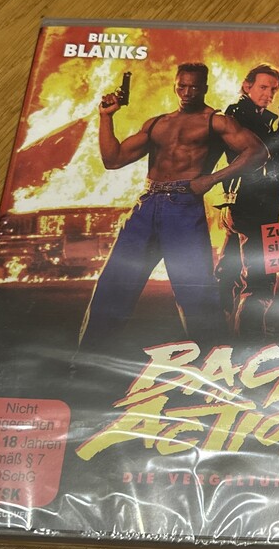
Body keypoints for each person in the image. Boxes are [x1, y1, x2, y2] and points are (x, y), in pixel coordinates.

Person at [77, 62, 267, 352]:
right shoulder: (158, 124)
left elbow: (258, 152)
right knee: (113, 285)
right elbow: (112, 160)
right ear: (175, 86)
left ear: (204, 88)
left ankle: (216, 364)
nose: (187, 92)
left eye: (194, 87)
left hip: (183, 207)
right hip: (146, 205)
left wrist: (211, 179)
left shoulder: (216, 121)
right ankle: (86, 362)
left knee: (196, 293)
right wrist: (106, 117)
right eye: (182, 86)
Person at [215, 64, 279, 335]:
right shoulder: (242, 118)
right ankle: (249, 337)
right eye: (262, 87)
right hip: (254, 206)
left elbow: (267, 149)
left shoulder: (246, 117)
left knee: (228, 274)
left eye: (273, 90)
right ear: (247, 86)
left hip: (236, 203)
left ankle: (218, 333)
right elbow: (271, 166)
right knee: (259, 279)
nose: (268, 94)